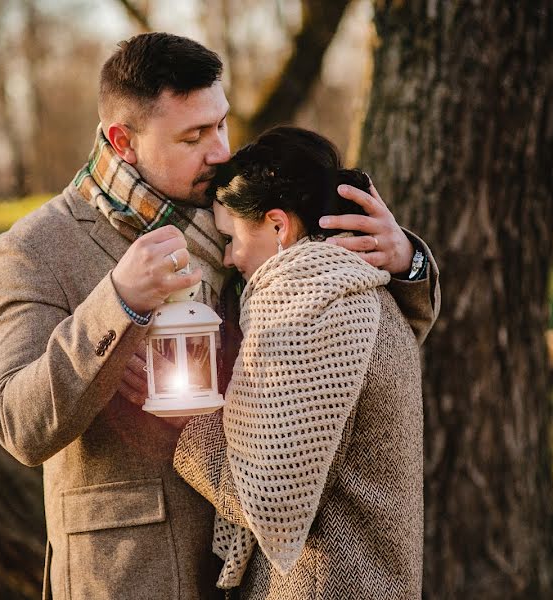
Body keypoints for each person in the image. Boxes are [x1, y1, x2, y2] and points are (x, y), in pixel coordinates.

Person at [0, 32, 439, 600]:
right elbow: (18, 427)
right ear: (124, 141)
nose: (220, 150)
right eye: (194, 136)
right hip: (132, 576)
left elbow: (356, 349)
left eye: (220, 124)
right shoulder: (36, 248)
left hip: (269, 571)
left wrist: (404, 261)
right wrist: (117, 300)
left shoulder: (247, 212)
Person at [173, 126, 424, 599]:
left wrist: (187, 423)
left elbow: (266, 500)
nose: (227, 257)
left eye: (230, 236)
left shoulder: (310, 312)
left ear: (276, 225)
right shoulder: (360, 289)